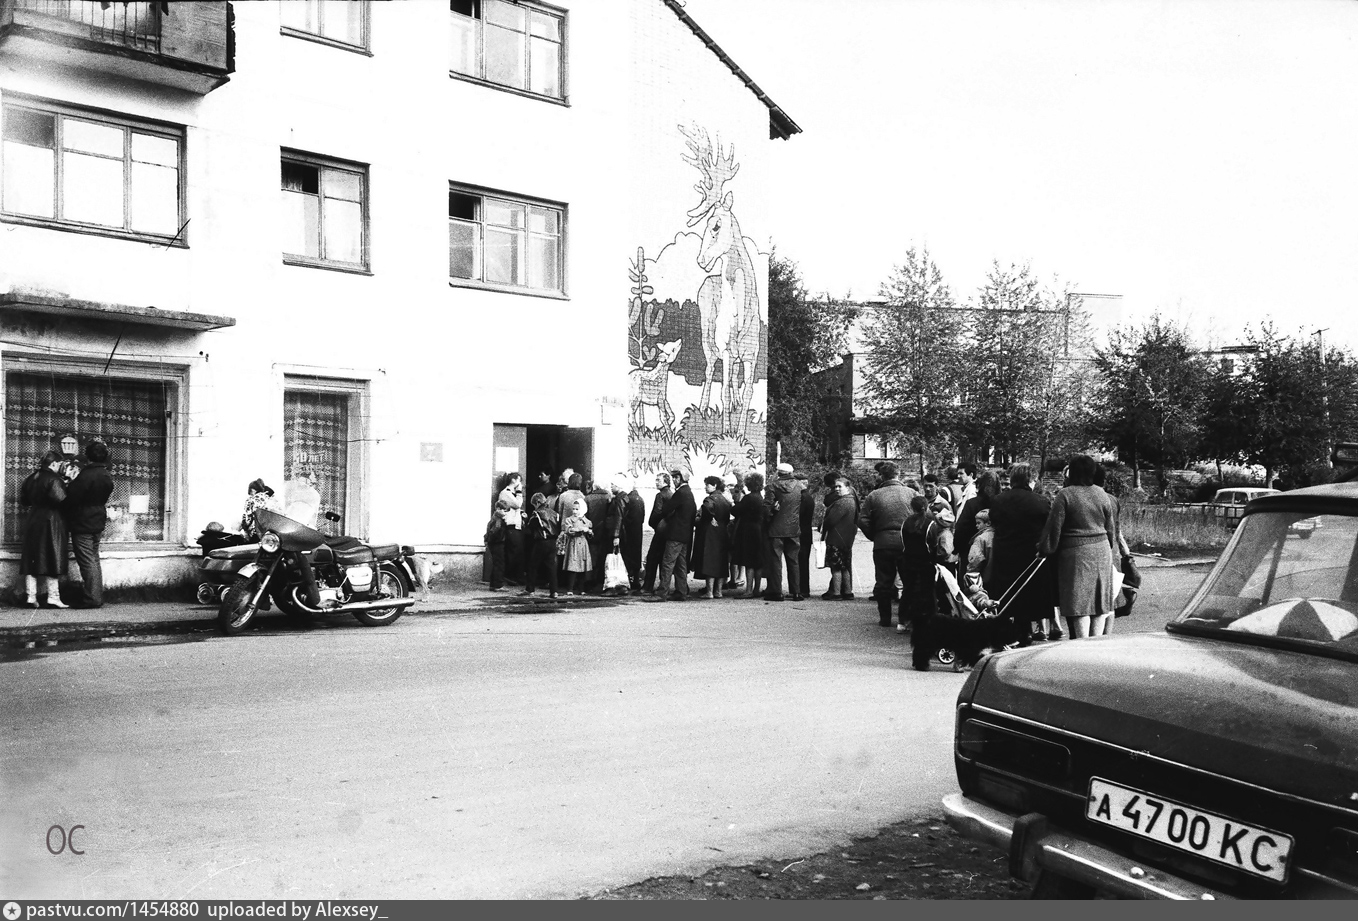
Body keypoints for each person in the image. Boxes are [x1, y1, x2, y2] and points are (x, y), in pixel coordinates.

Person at [1039, 454, 1119, 639]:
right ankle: (1097, 641)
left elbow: (1053, 528)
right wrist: (1110, 548)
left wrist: (1045, 549)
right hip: (1102, 551)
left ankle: (1082, 644)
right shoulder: (1101, 493)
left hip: (1076, 554)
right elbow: (1110, 529)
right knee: (1099, 601)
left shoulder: (1065, 495)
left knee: (1079, 600)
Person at [988, 463, 1054, 646]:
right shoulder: (1040, 502)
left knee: (1007, 597)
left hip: (1005, 554)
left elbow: (993, 521)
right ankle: (1025, 633)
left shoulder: (998, 500)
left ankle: (1006, 634)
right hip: (1030, 556)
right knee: (1027, 597)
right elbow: (1048, 526)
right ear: (1030, 480)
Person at [857, 461, 918, 628]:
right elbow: (923, 516)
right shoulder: (911, 493)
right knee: (908, 582)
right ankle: (903, 618)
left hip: (882, 544)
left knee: (883, 581)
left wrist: (875, 535)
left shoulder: (874, 495)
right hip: (905, 543)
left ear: (881, 476)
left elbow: (862, 520)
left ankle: (885, 618)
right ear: (899, 475)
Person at [63, 440, 114, 608]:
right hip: (98, 519)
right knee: (94, 558)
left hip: (82, 520)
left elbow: (71, 498)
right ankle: (96, 596)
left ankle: (92, 599)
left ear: (88, 457)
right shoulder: (106, 475)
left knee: (86, 561)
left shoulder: (85, 475)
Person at [19, 450, 70, 609]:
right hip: (51, 520)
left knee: (32, 559)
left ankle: (30, 596)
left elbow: (25, 501)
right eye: (60, 464)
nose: (61, 467)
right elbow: (61, 501)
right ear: (54, 463)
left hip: (34, 519)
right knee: (52, 556)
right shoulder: (54, 479)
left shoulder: (30, 478)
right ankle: (53, 597)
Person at [900, 495, 946, 670]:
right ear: (926, 507)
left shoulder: (906, 523)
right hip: (926, 563)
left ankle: (904, 619)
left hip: (909, 562)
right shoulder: (931, 524)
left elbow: (903, 543)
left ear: (911, 507)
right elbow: (932, 546)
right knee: (928, 592)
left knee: (909, 590)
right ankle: (930, 618)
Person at [763, 463, 803, 601]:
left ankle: (776, 592)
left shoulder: (772, 486)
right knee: (794, 561)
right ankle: (796, 592)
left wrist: (770, 515)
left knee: (775, 561)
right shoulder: (799, 486)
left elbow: (767, 507)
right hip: (793, 528)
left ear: (778, 473)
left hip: (776, 529)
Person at [656, 468, 697, 600]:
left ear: (681, 479)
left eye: (676, 478)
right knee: (681, 564)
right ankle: (682, 591)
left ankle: (662, 592)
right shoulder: (689, 493)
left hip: (675, 534)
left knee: (667, 563)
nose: (674, 480)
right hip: (685, 534)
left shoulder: (680, 493)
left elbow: (667, 509)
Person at [691, 475, 732, 598]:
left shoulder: (709, 500)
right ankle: (718, 591)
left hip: (710, 533)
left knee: (709, 561)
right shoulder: (725, 500)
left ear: (714, 486)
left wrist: (703, 519)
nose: (705, 487)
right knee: (721, 562)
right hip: (722, 532)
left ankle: (709, 591)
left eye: (707, 485)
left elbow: (706, 511)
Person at [820, 476, 858, 600]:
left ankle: (836, 592)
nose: (836, 489)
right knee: (845, 566)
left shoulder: (842, 502)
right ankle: (847, 591)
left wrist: (823, 525)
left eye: (839, 486)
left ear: (847, 487)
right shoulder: (851, 500)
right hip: (847, 538)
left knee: (836, 567)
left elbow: (831, 520)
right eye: (835, 486)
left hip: (836, 537)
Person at [730, 470, 766, 598]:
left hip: (748, 531)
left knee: (749, 561)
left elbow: (735, 511)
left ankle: (749, 590)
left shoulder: (749, 498)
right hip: (759, 530)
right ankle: (756, 589)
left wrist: (733, 503)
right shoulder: (760, 497)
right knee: (758, 561)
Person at [954, 471, 1001, 566]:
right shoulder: (1001, 503)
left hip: (971, 552)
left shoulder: (972, 504)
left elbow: (961, 528)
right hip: (995, 551)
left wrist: (957, 548)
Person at [521, 492, 559, 598]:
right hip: (553, 541)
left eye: (534, 504)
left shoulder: (537, 513)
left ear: (537, 502)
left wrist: (525, 520)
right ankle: (554, 591)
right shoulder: (554, 513)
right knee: (551, 567)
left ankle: (530, 589)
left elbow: (530, 529)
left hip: (542, 541)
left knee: (533, 565)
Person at [642, 471, 673, 594]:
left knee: (652, 559)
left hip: (660, 531)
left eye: (658, 480)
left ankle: (647, 586)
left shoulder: (660, 495)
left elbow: (657, 512)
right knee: (663, 559)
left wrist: (653, 523)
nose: (656, 482)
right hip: (668, 531)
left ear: (665, 482)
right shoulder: (671, 494)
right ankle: (662, 584)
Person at [560, 498, 593, 596]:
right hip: (573, 544)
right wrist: (581, 529)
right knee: (572, 567)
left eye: (577, 509)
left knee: (583, 567)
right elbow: (569, 531)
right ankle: (570, 588)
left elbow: (590, 535)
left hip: (583, 545)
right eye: (573, 509)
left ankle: (581, 588)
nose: (574, 511)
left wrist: (590, 532)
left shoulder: (587, 521)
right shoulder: (569, 520)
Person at [584, 479, 612, 592]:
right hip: (605, 531)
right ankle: (601, 581)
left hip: (592, 530)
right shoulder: (609, 497)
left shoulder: (588, 498)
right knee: (604, 557)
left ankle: (590, 581)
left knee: (591, 557)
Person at [498, 473, 526, 585]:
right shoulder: (505, 493)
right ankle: (510, 576)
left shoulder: (511, 494)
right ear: (513, 480)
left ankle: (515, 576)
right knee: (513, 552)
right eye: (519, 480)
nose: (521, 484)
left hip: (517, 526)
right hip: (511, 527)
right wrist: (519, 491)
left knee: (518, 552)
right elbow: (517, 504)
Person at [622, 476, 646, 594]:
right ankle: (635, 579)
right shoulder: (639, 498)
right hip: (638, 531)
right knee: (636, 555)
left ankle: (632, 580)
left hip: (629, 532)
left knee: (629, 556)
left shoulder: (628, 499)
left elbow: (626, 517)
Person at [724, 472, 745, 592]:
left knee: (733, 553)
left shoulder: (739, 495)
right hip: (735, 526)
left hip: (736, 527)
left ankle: (737, 578)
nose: (730, 488)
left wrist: (731, 503)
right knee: (733, 554)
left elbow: (735, 509)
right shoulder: (739, 494)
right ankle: (736, 578)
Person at [483, 499, 511, 591]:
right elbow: (496, 529)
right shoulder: (498, 517)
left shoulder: (494, 517)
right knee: (499, 563)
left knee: (496, 563)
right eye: (503, 509)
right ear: (498, 508)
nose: (504, 512)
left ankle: (493, 584)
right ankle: (498, 585)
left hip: (493, 542)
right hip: (498, 542)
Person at [796, 472, 816, 599]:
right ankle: (803, 588)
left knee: (801, 562)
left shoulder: (803, 497)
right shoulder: (808, 496)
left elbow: (798, 514)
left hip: (802, 533)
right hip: (806, 532)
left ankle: (802, 589)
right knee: (802, 562)